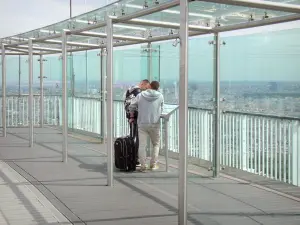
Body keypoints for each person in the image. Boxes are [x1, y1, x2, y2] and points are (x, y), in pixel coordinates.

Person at [128, 81, 164, 172]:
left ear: (150, 86)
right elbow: (162, 108)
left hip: (142, 123)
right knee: (156, 144)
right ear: (157, 88)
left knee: (142, 146)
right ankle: (153, 164)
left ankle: (143, 166)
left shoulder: (141, 95)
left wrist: (132, 115)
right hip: (155, 124)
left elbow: (131, 105)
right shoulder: (160, 96)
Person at [124, 79, 150, 166]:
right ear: (143, 84)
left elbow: (126, 102)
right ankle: (135, 158)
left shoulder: (129, 90)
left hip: (130, 115)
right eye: (146, 87)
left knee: (132, 136)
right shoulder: (139, 93)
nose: (146, 90)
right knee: (138, 138)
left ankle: (130, 157)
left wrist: (130, 115)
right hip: (136, 117)